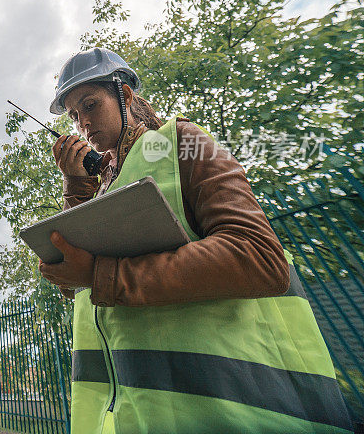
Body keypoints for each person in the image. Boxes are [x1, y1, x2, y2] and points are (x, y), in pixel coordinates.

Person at [37, 48, 353, 434]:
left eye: (90, 104)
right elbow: (83, 287)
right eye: (74, 115)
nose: (82, 123)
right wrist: (76, 186)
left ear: (125, 96)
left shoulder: (181, 142)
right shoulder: (104, 185)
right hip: (142, 414)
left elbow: (259, 257)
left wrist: (104, 275)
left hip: (234, 411)